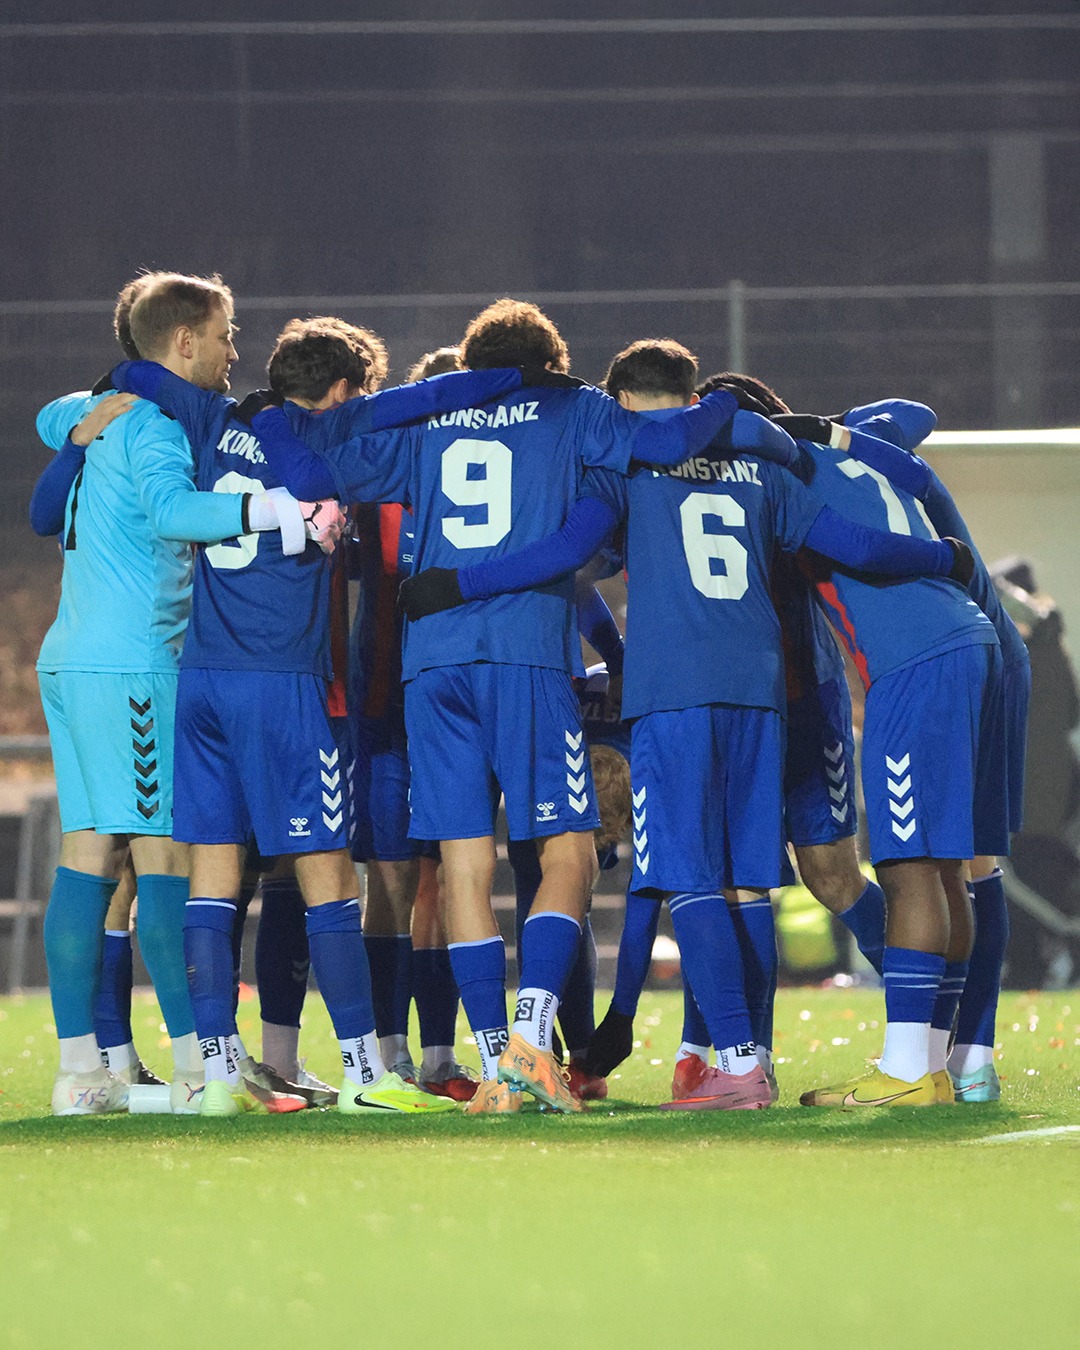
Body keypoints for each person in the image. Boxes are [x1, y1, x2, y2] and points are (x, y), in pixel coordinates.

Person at [398, 339, 975, 1109]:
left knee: (689, 878)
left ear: (624, 402)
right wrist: (946, 559)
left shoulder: (627, 467)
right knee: (748, 883)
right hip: (762, 694)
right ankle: (761, 1056)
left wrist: (462, 582)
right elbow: (857, 544)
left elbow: (574, 554)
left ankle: (736, 1066)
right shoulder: (762, 463)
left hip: (672, 696)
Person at [247, 300, 758, 1115]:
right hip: (524, 656)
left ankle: (492, 1064)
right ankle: (528, 1041)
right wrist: (730, 401)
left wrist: (271, 418)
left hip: (432, 663)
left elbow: (316, 469)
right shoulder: (576, 408)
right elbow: (668, 439)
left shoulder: (433, 416)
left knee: (462, 863)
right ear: (551, 360)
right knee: (570, 855)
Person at [105, 305, 533, 1117]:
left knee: (215, 875)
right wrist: (525, 380)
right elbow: (420, 402)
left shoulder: (217, 418)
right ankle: (369, 1077)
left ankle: (222, 1077)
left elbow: (137, 374)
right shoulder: (332, 434)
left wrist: (106, 389)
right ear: (342, 390)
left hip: (203, 678)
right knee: (329, 875)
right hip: (282, 686)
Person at [33, 271, 305, 1116]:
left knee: (90, 855)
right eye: (225, 335)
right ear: (184, 341)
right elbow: (175, 513)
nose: (234, 353)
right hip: (133, 665)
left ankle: (88, 1072)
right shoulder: (152, 426)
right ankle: (199, 1074)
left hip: (74, 658)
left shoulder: (104, 410)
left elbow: (52, 416)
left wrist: (73, 429)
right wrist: (272, 509)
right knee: (166, 861)